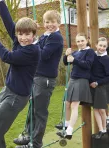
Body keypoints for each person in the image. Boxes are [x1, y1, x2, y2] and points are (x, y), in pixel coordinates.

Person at [0, 0, 40, 148]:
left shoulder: (32, 50)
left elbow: (7, 57)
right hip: (8, 90)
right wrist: (0, 3)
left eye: (27, 34)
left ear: (34, 34)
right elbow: (8, 22)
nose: (23, 37)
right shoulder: (20, 42)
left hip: (17, 97)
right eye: (20, 34)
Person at [13, 9, 64, 148]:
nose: (50, 24)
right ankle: (28, 136)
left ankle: (35, 143)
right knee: (32, 108)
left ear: (59, 23)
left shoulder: (56, 37)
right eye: (47, 22)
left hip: (45, 78)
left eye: (53, 22)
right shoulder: (44, 36)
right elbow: (35, 47)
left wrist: (33, 43)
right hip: (37, 76)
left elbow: (43, 54)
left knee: (39, 112)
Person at [56, 33, 95, 140]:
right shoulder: (76, 52)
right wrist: (66, 55)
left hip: (82, 80)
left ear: (87, 40)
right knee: (67, 103)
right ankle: (66, 125)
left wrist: (74, 60)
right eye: (78, 41)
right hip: (72, 79)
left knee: (74, 105)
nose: (80, 43)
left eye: (82, 41)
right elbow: (65, 62)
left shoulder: (90, 51)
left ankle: (69, 131)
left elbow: (88, 65)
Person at [90, 37, 109, 139]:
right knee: (95, 109)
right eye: (100, 45)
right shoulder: (92, 55)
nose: (102, 48)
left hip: (100, 86)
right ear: (96, 45)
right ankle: (100, 129)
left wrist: (97, 82)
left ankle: (104, 129)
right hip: (91, 86)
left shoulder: (107, 59)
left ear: (106, 47)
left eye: (104, 46)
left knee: (102, 110)